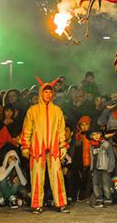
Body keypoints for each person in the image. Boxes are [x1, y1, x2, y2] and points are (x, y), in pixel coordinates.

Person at [20, 78, 70, 214]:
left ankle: (61, 203)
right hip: (37, 149)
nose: (48, 95)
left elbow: (61, 130)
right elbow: (27, 130)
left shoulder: (57, 111)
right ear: (41, 93)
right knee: (36, 176)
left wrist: (63, 145)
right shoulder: (33, 110)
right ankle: (36, 205)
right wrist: (24, 146)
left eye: (50, 92)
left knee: (57, 176)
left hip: (53, 148)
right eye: (45, 92)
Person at [88, 125, 115, 208]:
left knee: (106, 184)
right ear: (91, 136)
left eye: (98, 134)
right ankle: (99, 199)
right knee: (96, 184)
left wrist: (111, 167)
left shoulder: (106, 144)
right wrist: (91, 168)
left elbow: (111, 156)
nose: (96, 136)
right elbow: (91, 157)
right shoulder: (92, 146)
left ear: (101, 134)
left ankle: (108, 199)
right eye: (94, 134)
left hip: (105, 167)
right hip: (95, 168)